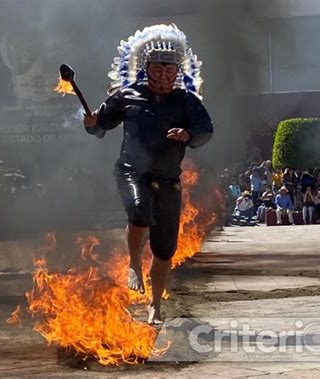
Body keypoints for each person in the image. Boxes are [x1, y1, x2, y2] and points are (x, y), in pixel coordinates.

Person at [83, 24, 213, 324]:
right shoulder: (127, 96)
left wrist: (188, 134)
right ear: (147, 69)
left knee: (165, 248)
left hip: (168, 179)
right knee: (140, 211)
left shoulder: (186, 102)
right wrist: (91, 123)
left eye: (170, 71)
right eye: (159, 69)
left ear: (177, 72)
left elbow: (206, 131)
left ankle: (155, 304)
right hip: (132, 171)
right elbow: (100, 127)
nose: (165, 76)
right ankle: (132, 264)